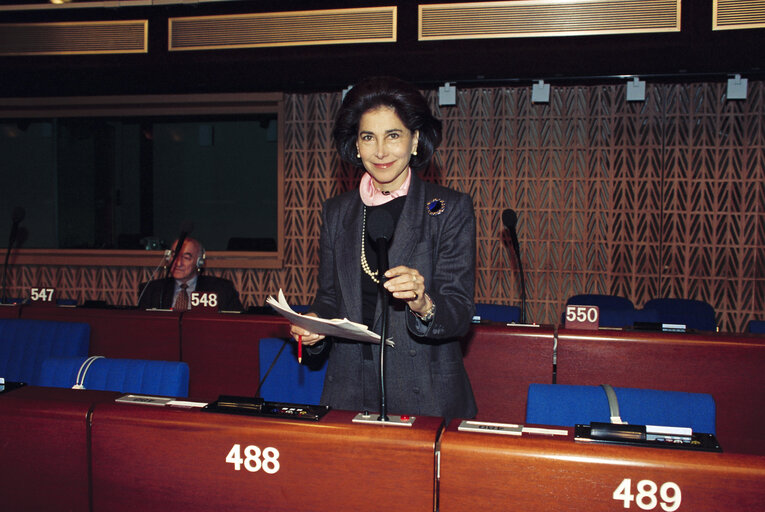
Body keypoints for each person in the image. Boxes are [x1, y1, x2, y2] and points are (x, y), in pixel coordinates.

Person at [290, 76, 477, 420]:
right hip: (348, 388)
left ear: (415, 140)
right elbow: (330, 296)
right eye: (368, 137)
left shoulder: (448, 208)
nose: (380, 151)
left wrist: (424, 303)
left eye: (393, 136)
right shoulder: (337, 212)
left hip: (425, 394)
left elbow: (460, 312)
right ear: (356, 146)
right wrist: (316, 324)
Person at [137, 237, 243, 312]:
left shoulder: (221, 289)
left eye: (186, 258)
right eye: (174, 256)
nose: (178, 263)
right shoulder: (151, 290)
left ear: (199, 262)